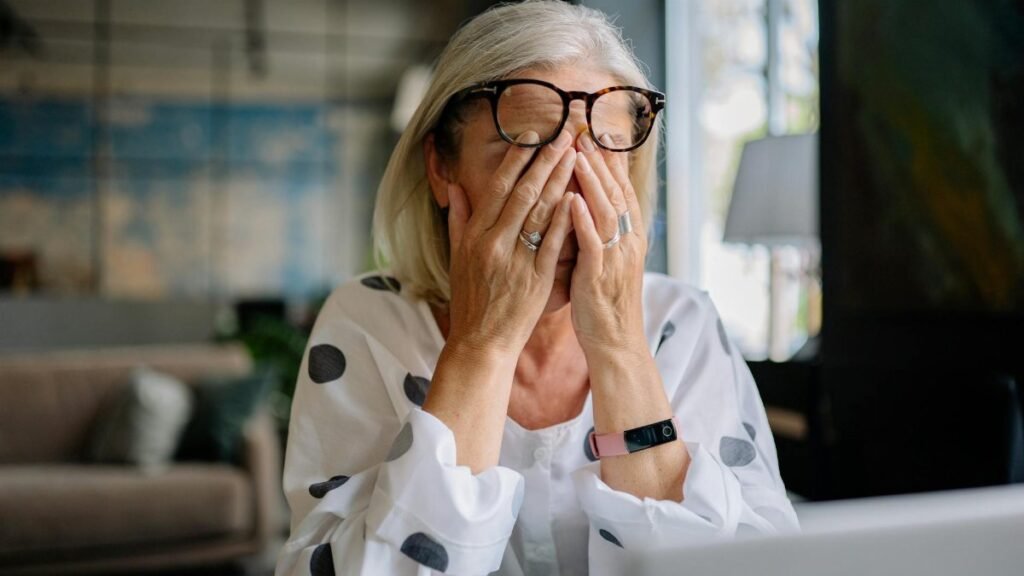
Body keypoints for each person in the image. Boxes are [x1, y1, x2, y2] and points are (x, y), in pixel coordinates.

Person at [275, 2, 798, 574]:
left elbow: (744, 565)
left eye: (604, 148)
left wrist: (621, 346)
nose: (566, 196)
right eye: (528, 148)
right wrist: (483, 343)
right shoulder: (368, 322)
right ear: (442, 169)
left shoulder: (684, 325)